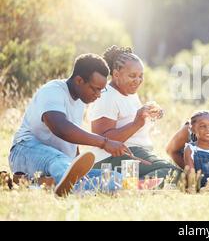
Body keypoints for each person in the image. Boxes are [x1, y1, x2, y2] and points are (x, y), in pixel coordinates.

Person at [9, 54, 130, 196]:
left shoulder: (80, 101)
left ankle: (43, 185)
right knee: (59, 161)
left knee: (115, 177)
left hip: (60, 162)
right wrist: (104, 142)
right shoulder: (52, 91)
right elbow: (61, 129)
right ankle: (76, 190)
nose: (98, 95)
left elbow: (72, 141)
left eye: (101, 90)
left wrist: (76, 162)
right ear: (79, 80)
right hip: (25, 151)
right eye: (95, 89)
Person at [89, 45, 180, 180]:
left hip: (137, 153)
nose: (137, 80)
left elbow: (133, 122)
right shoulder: (106, 96)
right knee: (173, 174)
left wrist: (150, 114)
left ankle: (131, 184)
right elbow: (103, 139)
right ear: (116, 74)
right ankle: (130, 187)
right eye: (132, 76)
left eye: (140, 76)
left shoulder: (129, 93)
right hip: (112, 157)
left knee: (180, 176)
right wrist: (137, 123)